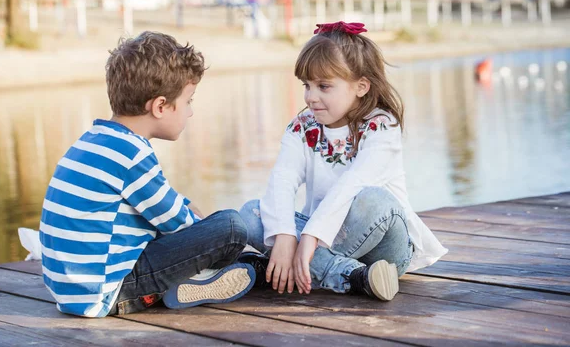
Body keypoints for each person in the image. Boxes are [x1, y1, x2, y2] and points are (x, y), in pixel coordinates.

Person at [39, 31, 256, 318]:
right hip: (110, 291)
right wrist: (204, 226)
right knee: (231, 227)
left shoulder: (94, 140)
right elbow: (178, 225)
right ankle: (199, 279)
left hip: (71, 292)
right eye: (188, 101)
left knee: (193, 215)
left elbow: (160, 205)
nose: (190, 113)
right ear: (160, 106)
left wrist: (186, 208)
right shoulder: (131, 153)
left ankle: (192, 282)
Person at [239, 21, 448, 300]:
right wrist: (286, 235)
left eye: (324, 86)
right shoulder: (303, 126)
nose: (311, 97)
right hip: (325, 245)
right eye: (307, 85)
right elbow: (282, 179)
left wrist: (309, 237)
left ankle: (284, 268)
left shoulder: (381, 126)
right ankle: (353, 277)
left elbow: (353, 183)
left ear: (361, 86)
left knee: (373, 199)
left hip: (384, 249)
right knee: (251, 213)